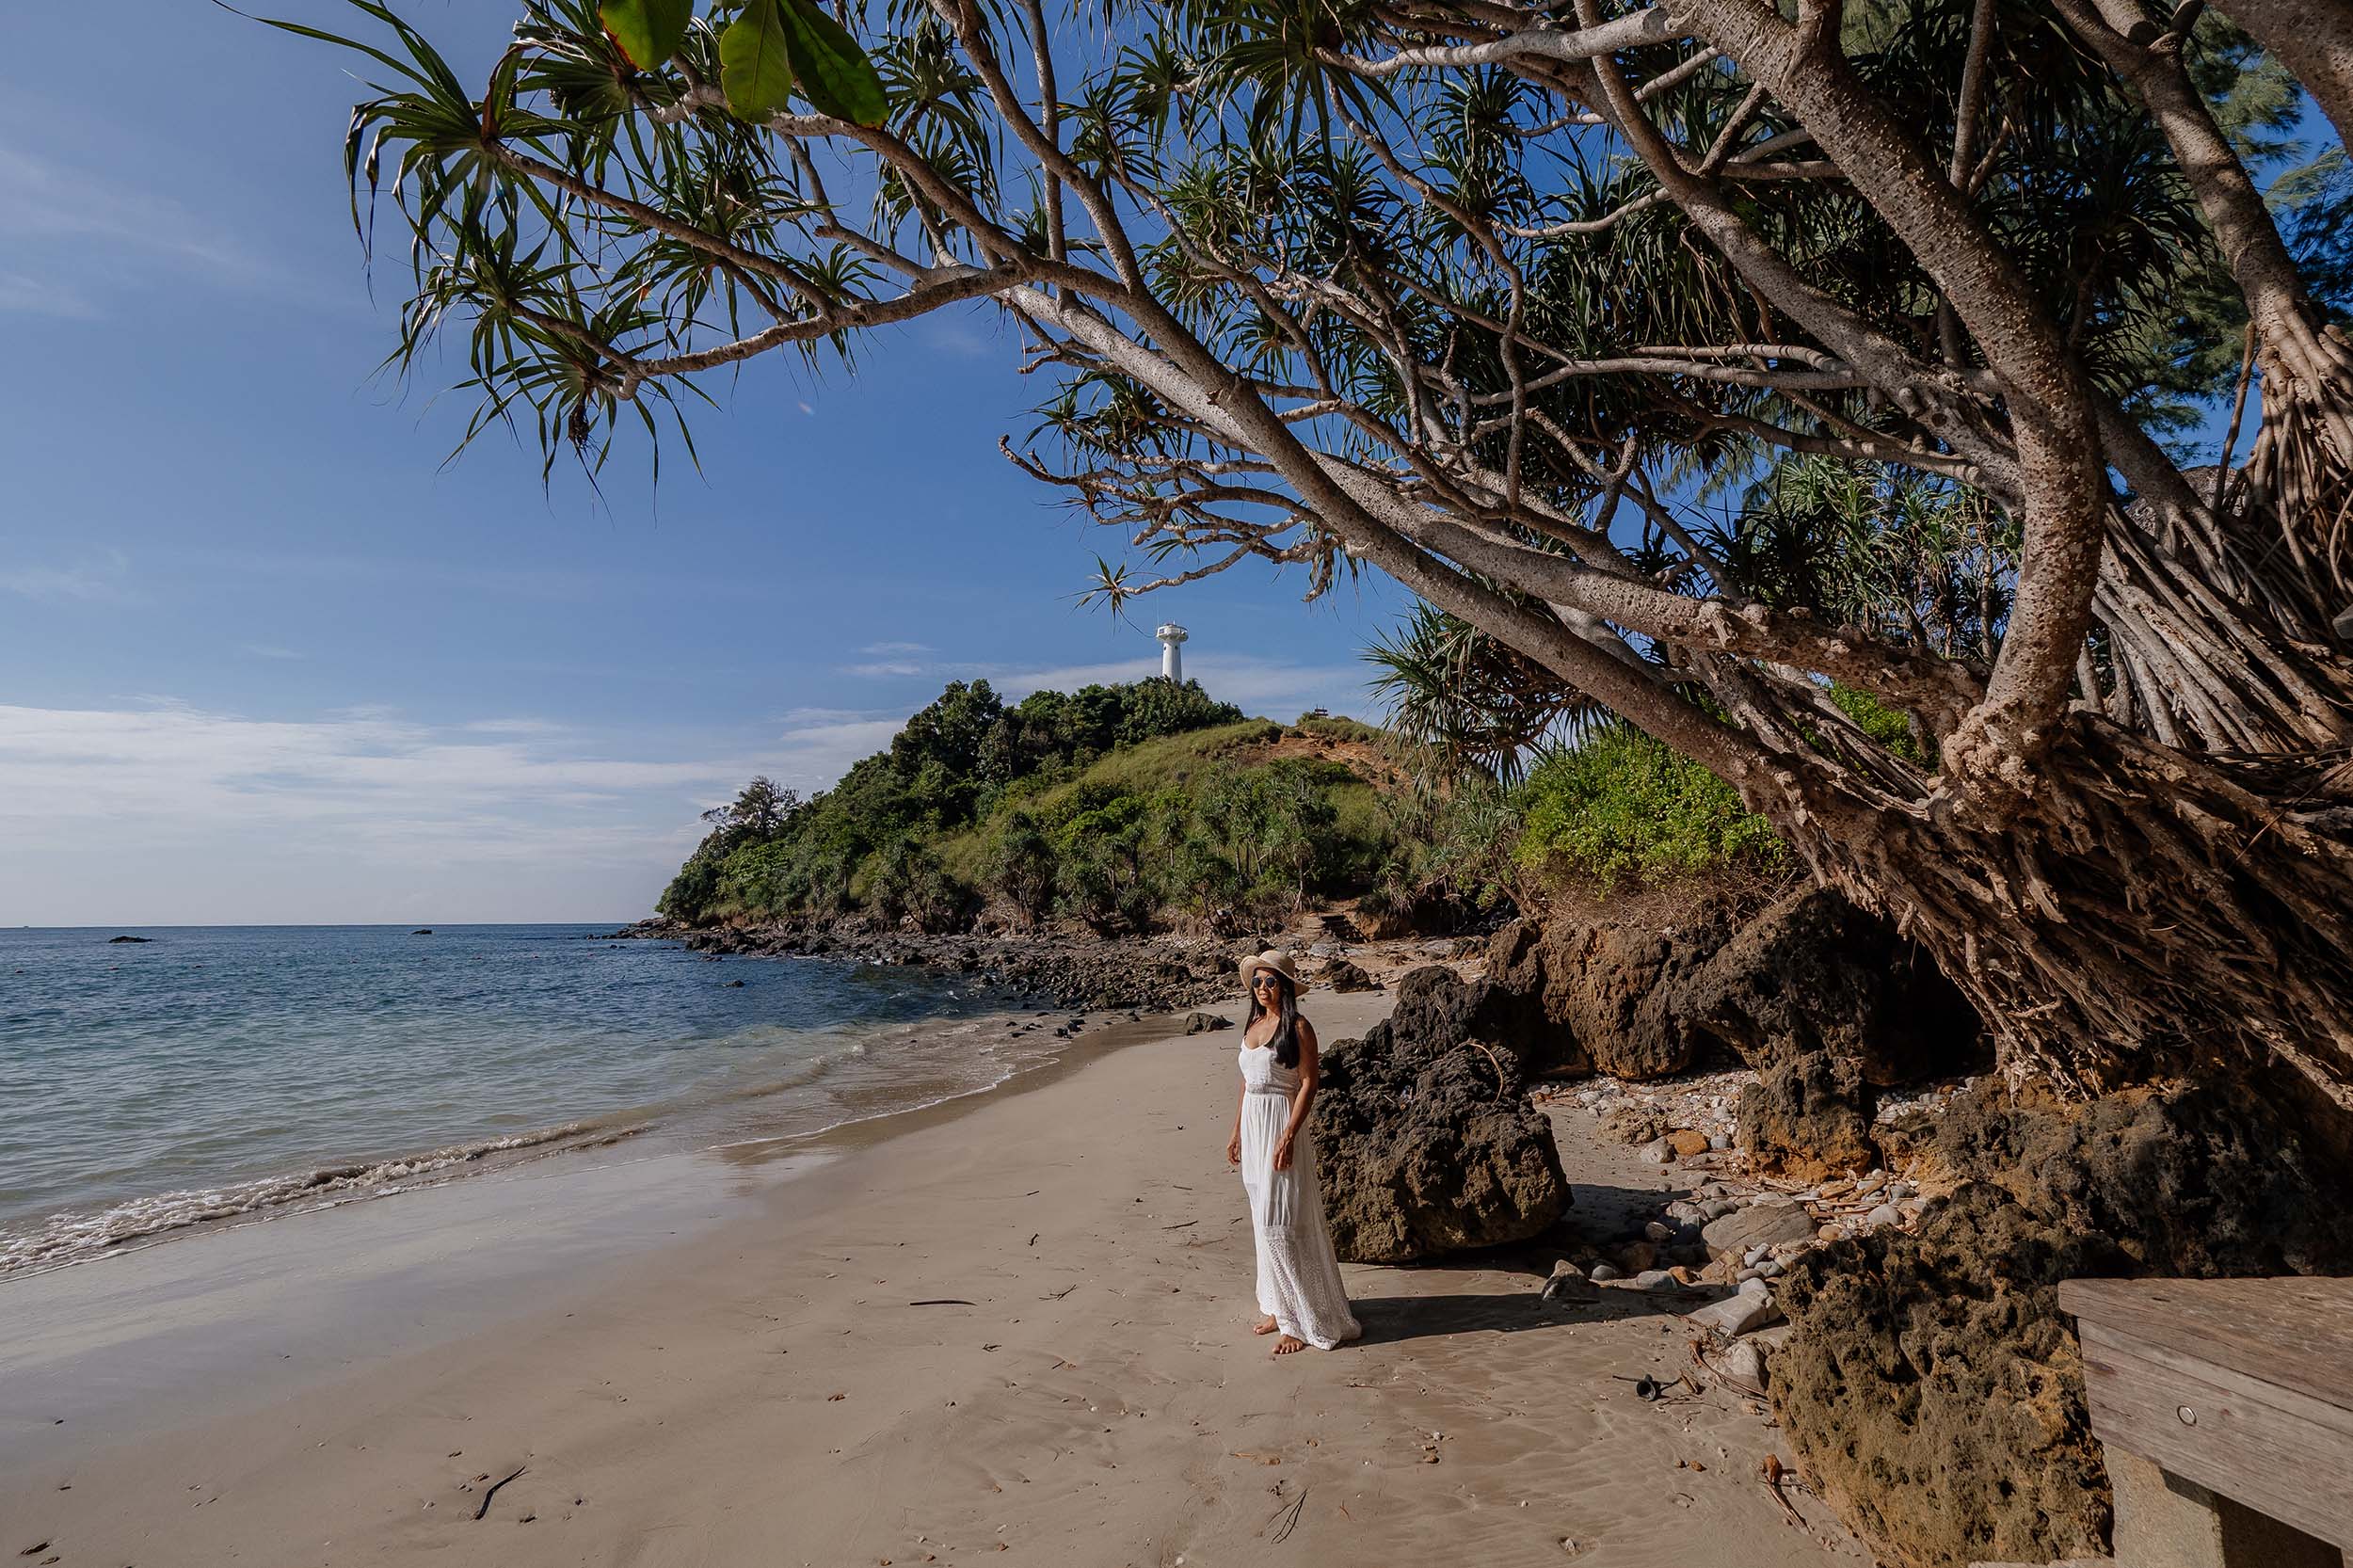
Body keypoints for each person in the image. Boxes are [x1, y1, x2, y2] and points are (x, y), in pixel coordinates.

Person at [1225, 951, 1362, 1354]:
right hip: (1254, 1128)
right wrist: (1236, 1131)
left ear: (1284, 986)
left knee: (1279, 1222)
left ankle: (1300, 1322)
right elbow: (1247, 1082)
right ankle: (1278, 1306)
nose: (1262, 988)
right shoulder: (1253, 1025)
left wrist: (1288, 1136)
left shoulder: (1298, 1027)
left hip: (1280, 1127)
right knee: (1260, 1220)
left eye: (1270, 981)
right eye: (1257, 982)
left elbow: (1308, 1084)